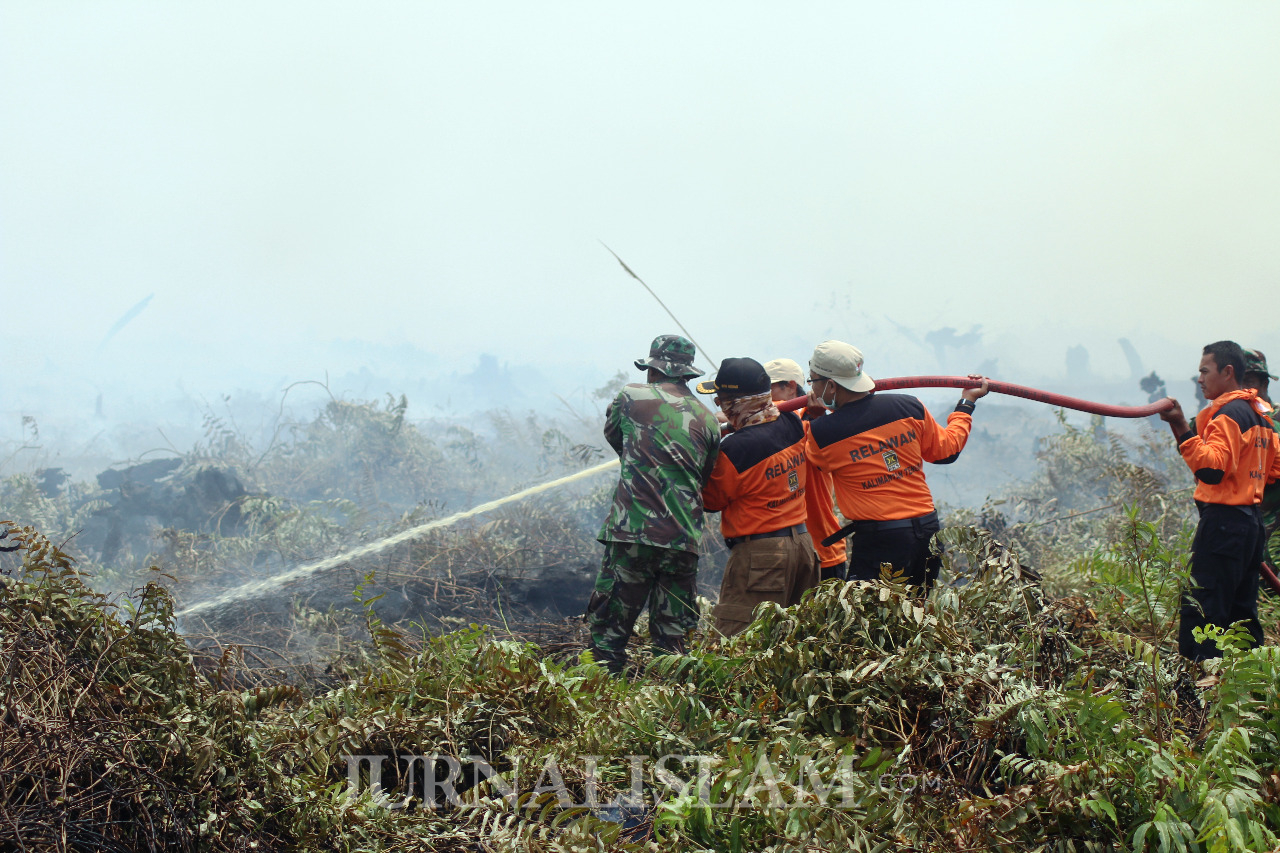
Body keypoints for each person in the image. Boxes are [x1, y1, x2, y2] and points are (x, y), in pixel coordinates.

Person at [586, 334, 722, 674]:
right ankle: (672, 708)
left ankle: (603, 702)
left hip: (632, 533)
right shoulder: (707, 420)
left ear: (652, 370)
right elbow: (702, 479)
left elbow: (617, 439)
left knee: (609, 632)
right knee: (674, 638)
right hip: (682, 540)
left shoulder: (632, 397)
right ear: (687, 376)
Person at [803, 340, 989, 587]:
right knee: (916, 613)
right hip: (928, 532)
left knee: (867, 621)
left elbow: (817, 465)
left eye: (813, 381)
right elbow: (946, 453)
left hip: (881, 541)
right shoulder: (908, 406)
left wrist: (812, 419)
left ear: (830, 385)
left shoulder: (823, 433)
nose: (812, 390)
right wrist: (966, 403)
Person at [1158, 340, 1280, 660]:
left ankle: (1198, 693)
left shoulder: (1228, 414)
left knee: (1204, 611)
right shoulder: (1261, 417)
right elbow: (1273, 471)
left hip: (1224, 526)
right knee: (1241, 615)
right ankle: (1247, 688)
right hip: (1250, 526)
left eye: (1204, 371)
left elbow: (1211, 470)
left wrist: (1182, 427)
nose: (1199, 379)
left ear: (1227, 372)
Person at [698, 357, 819, 637]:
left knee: (736, 643)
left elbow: (710, 501)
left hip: (761, 557)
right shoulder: (791, 422)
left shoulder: (736, 451)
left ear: (736, 403)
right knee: (790, 645)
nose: (720, 407)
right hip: (802, 546)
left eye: (721, 401)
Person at [763, 357, 848, 581]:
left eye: (768, 388)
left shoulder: (808, 420)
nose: (762, 396)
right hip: (784, 553)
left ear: (790, 386)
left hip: (822, 550)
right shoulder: (769, 421)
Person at [1243, 349, 1280, 569]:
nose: (1243, 389)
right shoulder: (1225, 421)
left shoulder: (1275, 421)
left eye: (1248, 381)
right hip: (1240, 529)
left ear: (1264, 384)